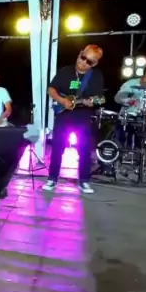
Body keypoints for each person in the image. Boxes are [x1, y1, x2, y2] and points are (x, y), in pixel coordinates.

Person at [42, 45, 105, 194]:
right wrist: (62, 101)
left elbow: (99, 98)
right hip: (63, 115)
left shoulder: (96, 76)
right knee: (57, 147)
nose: (84, 62)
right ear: (80, 54)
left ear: (94, 64)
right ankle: (52, 178)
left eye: (89, 61)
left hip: (83, 116)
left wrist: (91, 102)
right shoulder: (65, 71)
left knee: (84, 149)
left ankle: (84, 181)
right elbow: (51, 89)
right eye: (83, 57)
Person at [114, 64, 146, 168]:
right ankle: (116, 157)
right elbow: (118, 97)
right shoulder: (131, 83)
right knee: (120, 129)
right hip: (131, 114)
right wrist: (129, 101)